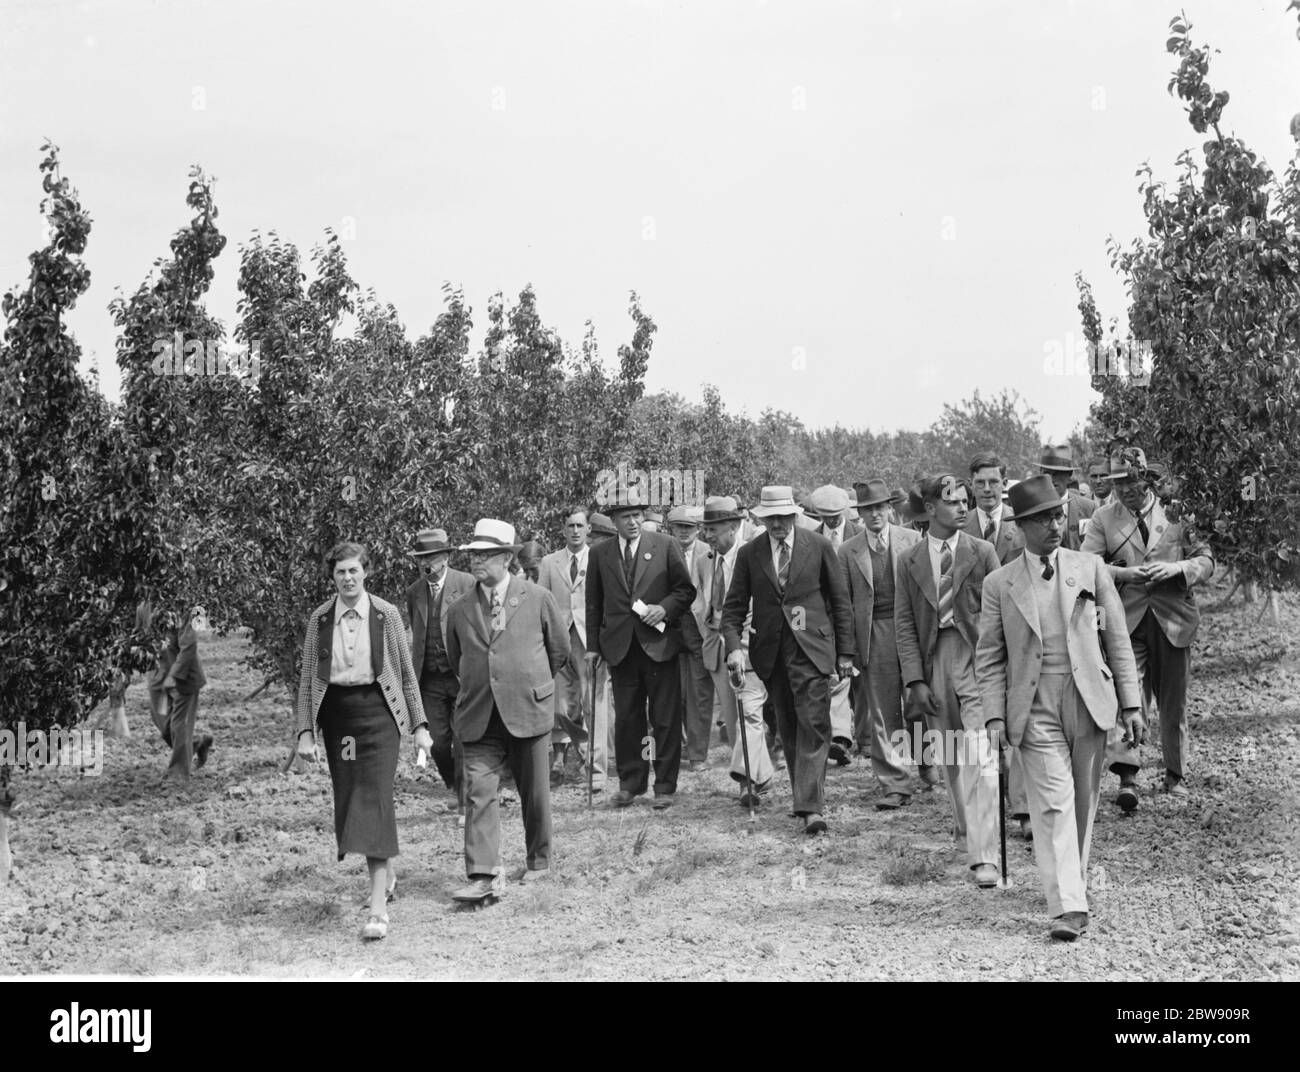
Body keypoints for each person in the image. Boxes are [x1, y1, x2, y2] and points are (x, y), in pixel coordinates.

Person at [976, 475, 1143, 941]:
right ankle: (1068, 903)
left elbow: (1118, 641)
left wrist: (1130, 702)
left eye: (1057, 515)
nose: (1055, 525)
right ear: (1022, 526)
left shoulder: (1089, 567)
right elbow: (988, 656)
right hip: (1033, 703)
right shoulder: (999, 583)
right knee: (1052, 802)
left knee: (1084, 803)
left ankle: (1073, 880)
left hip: (1089, 696)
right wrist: (993, 716)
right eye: (1043, 519)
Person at [295, 541, 432, 941]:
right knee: (352, 796)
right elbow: (307, 680)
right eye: (341, 572)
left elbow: (406, 675)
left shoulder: (386, 615)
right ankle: (386, 872)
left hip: (379, 716)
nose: (348, 578)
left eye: (354, 570)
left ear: (366, 572)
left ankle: (377, 910)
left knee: (375, 798)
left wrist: (420, 725)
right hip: (340, 720)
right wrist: (305, 731)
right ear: (332, 576)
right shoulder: (320, 619)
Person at [445, 520, 569, 900]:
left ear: (506, 558)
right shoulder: (459, 609)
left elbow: (558, 651)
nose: (476, 561)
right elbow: (456, 659)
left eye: (484, 555)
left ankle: (539, 860)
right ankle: (482, 873)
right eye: (472, 555)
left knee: (535, 792)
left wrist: (528, 682)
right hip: (479, 714)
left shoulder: (536, 597)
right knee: (479, 791)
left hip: (527, 709)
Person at [1082, 447, 1214, 802]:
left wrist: (1178, 569)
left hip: (1173, 620)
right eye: (1117, 481)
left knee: (1174, 701)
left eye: (1132, 479)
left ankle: (1175, 774)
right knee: (1128, 696)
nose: (1125, 488)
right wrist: (1124, 573)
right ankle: (1128, 776)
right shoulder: (1103, 519)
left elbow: (1206, 559)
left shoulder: (1177, 512)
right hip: (1127, 620)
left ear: (1148, 478)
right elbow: (1087, 564)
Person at [721, 485, 855, 835]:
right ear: (761, 520)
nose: (778, 525)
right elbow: (733, 607)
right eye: (770, 519)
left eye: (783, 518)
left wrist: (845, 653)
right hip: (771, 654)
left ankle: (811, 807)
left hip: (812, 650)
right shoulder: (751, 554)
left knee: (814, 723)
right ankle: (803, 797)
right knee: (789, 726)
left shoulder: (820, 547)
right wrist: (734, 647)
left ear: (795, 516)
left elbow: (840, 602)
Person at [895, 474, 1002, 886]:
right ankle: (964, 828)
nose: (962, 508)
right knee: (949, 751)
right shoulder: (909, 560)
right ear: (929, 510)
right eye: (952, 502)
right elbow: (905, 624)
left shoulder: (983, 551)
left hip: (977, 659)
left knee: (981, 750)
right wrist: (914, 680)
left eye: (964, 501)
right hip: (933, 657)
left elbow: (998, 614)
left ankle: (984, 855)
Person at [586, 487, 696, 809]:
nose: (633, 522)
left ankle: (664, 786)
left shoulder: (664, 545)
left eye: (637, 515)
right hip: (620, 649)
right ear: (614, 520)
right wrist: (593, 647)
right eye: (625, 517)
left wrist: (665, 608)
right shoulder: (600, 554)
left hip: (659, 645)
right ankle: (630, 783)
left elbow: (685, 590)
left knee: (664, 717)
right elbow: (594, 604)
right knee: (628, 719)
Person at [840, 479, 922, 807]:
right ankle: (895, 783)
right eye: (867, 509)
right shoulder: (848, 551)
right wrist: (847, 650)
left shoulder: (913, 540)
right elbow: (843, 604)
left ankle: (926, 760)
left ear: (890, 508)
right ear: (859, 514)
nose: (875, 514)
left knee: (918, 703)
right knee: (883, 712)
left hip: (912, 631)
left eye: (879, 507)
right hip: (874, 634)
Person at [962, 452, 1029, 837]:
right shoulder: (959, 525)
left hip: (1020, 636)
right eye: (981, 483)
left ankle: (1021, 808)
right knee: (986, 721)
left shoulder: (1022, 525)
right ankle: (988, 804)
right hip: (977, 641)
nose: (988, 490)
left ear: (1005, 484)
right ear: (971, 485)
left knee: (1019, 717)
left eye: (994, 482)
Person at [695, 495, 776, 804]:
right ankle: (762, 775)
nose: (707, 536)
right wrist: (708, 626)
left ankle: (747, 780)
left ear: (733, 526)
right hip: (717, 646)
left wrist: (744, 639)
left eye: (713, 529)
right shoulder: (707, 559)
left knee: (749, 713)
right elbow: (698, 597)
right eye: (706, 529)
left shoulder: (755, 552)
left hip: (749, 643)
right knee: (733, 720)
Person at [537, 508, 612, 791]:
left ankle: (597, 772)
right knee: (561, 709)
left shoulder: (601, 557)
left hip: (590, 639)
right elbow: (541, 601)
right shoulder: (548, 562)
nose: (576, 531)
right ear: (563, 529)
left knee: (594, 704)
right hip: (559, 640)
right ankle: (584, 748)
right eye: (571, 526)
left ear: (588, 530)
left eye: (581, 526)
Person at [404, 528, 475, 821]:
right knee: (438, 743)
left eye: (432, 556)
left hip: (460, 675)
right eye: (422, 557)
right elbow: (417, 631)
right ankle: (455, 787)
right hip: (430, 679)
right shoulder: (414, 592)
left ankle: (466, 801)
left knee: (462, 739)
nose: (427, 563)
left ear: (446, 557)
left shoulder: (467, 583)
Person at [668, 505, 716, 772]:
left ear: (698, 529)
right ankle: (684, 743)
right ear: (671, 529)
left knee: (700, 693)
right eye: (679, 527)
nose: (684, 532)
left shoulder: (707, 553)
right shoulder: (666, 550)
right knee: (678, 693)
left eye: (689, 527)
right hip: (672, 630)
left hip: (699, 629)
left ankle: (698, 753)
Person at [149, 603, 214, 783]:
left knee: (179, 725)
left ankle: (178, 774)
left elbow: (189, 646)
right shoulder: (144, 604)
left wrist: (174, 675)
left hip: (183, 675)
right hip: (157, 674)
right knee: (163, 724)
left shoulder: (185, 606)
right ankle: (195, 743)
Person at [1034, 445, 1096, 550]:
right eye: (1047, 473)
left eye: (1058, 473)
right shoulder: (1032, 509)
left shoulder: (1089, 508)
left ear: (1069, 475)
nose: (1052, 479)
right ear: (1040, 473)